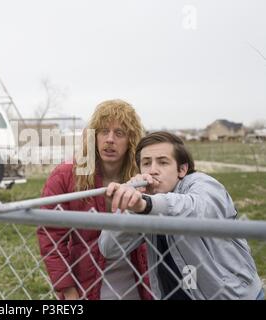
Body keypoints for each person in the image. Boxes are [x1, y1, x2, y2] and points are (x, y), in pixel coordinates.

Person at [99, 131, 263, 300]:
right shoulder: (145, 197)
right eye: (146, 163)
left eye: (163, 162)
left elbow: (197, 209)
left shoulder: (202, 183)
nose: (153, 170)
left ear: (182, 169)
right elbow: (109, 248)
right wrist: (134, 207)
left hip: (232, 296)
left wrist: (147, 204)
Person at [36, 99, 152, 300]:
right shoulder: (66, 175)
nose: (109, 139)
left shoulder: (144, 177)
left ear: (131, 140)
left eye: (119, 133)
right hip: (86, 284)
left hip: (137, 282)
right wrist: (67, 288)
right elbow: (51, 234)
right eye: (103, 131)